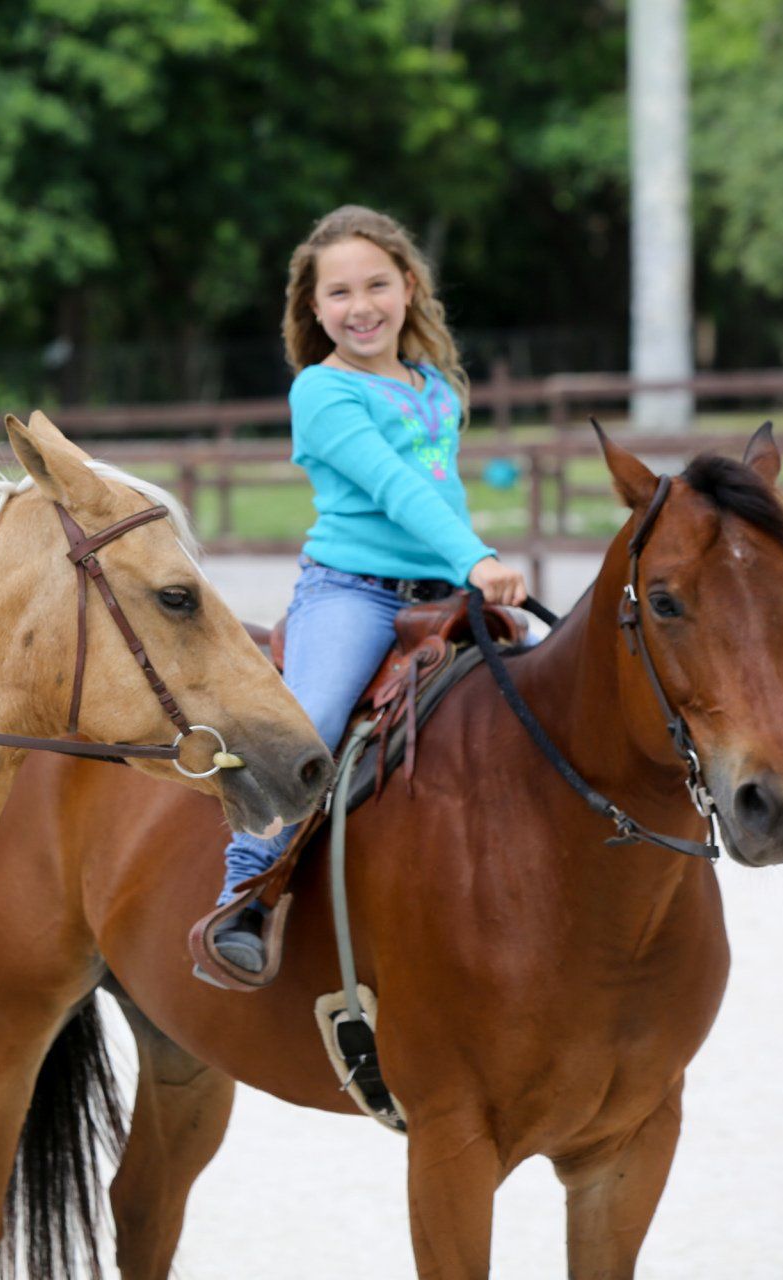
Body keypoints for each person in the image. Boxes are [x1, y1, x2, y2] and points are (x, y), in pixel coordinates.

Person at [203, 205, 527, 981]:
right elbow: (395, 490)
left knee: (542, 698)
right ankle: (244, 892)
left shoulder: (434, 389)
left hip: (445, 592)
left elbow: (441, 495)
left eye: (377, 284)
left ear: (408, 287)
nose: (362, 306)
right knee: (307, 731)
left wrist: (469, 575)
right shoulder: (323, 393)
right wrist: (479, 557)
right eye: (340, 293)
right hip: (354, 594)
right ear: (314, 310)